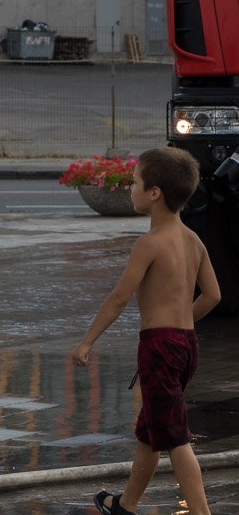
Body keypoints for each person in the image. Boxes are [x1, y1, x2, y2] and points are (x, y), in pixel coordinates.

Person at [72, 147, 220, 515]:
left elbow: (119, 298)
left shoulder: (149, 244)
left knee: (175, 438)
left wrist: (87, 342)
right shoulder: (193, 240)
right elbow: (214, 295)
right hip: (186, 344)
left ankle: (202, 511)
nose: (131, 188)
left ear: (154, 193)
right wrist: (182, 321)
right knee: (151, 432)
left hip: (159, 347)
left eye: (135, 182)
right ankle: (127, 504)